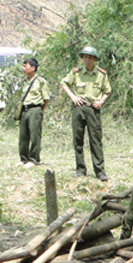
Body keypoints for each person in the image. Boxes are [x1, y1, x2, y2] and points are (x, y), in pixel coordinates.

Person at [60, 46, 111, 180]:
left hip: (93, 109)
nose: (87, 60)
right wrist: (73, 97)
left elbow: (107, 91)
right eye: (85, 57)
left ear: (94, 59)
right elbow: (64, 83)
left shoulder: (101, 74)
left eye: (90, 58)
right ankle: (80, 169)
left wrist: (101, 101)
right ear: (82, 58)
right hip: (79, 108)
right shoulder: (76, 73)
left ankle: (99, 171)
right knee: (78, 139)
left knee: (96, 140)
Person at [17, 58, 50, 167]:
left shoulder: (40, 81)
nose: (23, 69)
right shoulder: (24, 81)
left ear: (33, 68)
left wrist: (41, 111)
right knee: (23, 136)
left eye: (25, 66)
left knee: (35, 135)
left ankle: (34, 159)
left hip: (35, 109)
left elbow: (46, 99)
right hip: (25, 110)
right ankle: (23, 158)